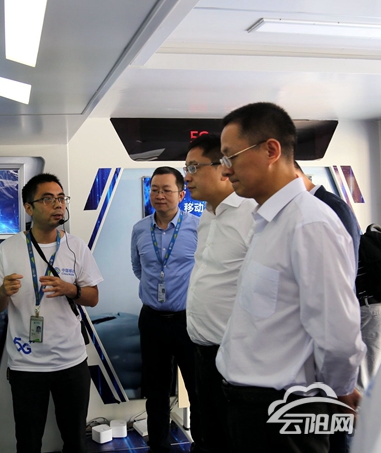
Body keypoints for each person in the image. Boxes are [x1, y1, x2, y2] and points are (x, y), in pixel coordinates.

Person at [215, 102, 366, 453]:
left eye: (231, 156)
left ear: (271, 150)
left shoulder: (310, 223)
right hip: (251, 408)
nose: (226, 170)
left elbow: (338, 335)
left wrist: (337, 392)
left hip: (284, 414)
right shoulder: (268, 221)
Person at [0, 173, 103, 453]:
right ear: (29, 207)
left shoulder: (76, 247)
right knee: (28, 443)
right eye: (48, 199)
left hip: (71, 362)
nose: (58, 205)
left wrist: (70, 289)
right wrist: (3, 292)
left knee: (76, 441)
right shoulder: (7, 250)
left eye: (61, 198)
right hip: (26, 366)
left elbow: (94, 298)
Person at [184, 134, 256, 453]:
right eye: (186, 169)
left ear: (222, 168)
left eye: (194, 168)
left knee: (233, 440)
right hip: (203, 354)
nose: (187, 177)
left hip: (235, 360)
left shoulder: (251, 215)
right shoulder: (207, 216)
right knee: (208, 435)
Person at [131, 166, 201, 453]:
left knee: (197, 390)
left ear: (181, 195)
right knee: (156, 392)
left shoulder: (197, 227)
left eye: (166, 190)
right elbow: (138, 268)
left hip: (188, 320)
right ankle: (159, 447)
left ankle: (203, 446)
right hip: (152, 321)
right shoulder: (139, 229)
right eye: (155, 189)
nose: (159, 195)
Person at [294, 161, 361, 453]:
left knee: (334, 421)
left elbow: (339, 283)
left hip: (327, 334)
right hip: (308, 340)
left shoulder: (327, 208)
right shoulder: (301, 208)